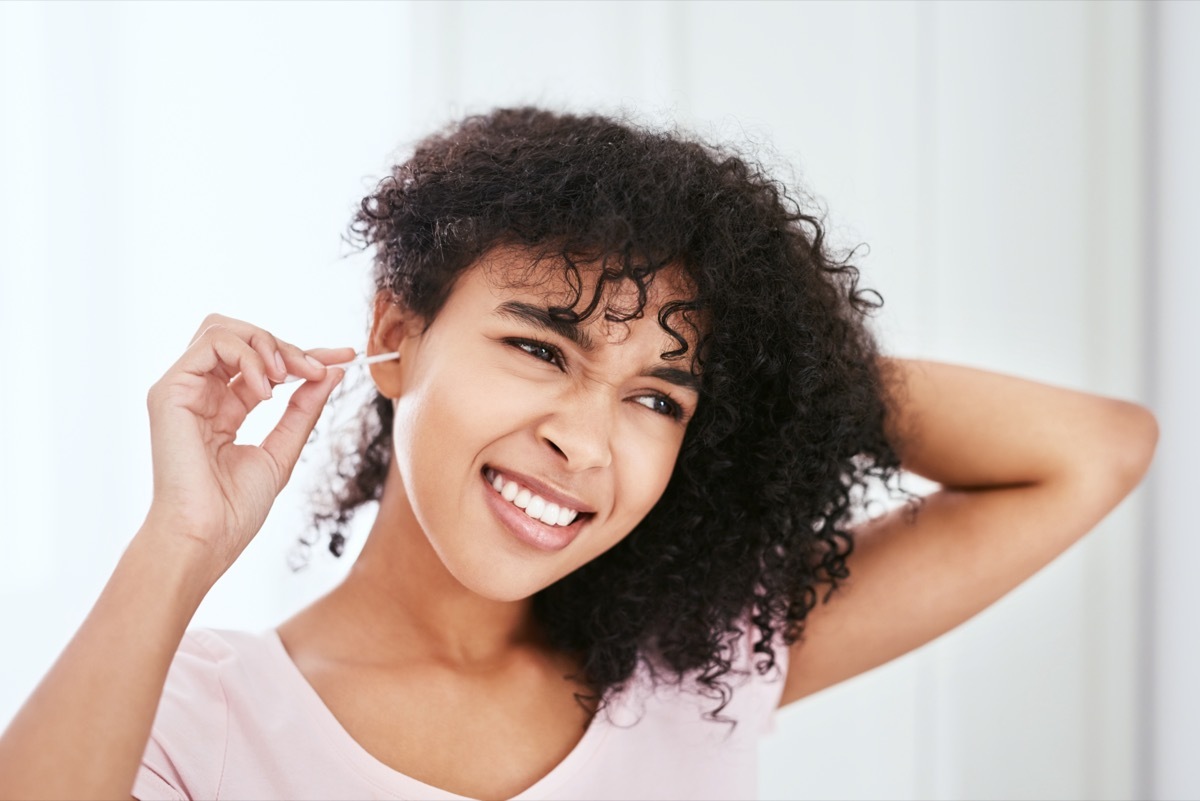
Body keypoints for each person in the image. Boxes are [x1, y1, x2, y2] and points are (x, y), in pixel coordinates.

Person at [0, 107, 1157, 801]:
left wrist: (775, 373)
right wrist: (180, 542)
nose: (585, 439)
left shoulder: (698, 663)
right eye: (542, 349)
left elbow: (1096, 450)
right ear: (396, 331)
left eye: (656, 394)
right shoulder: (180, 718)